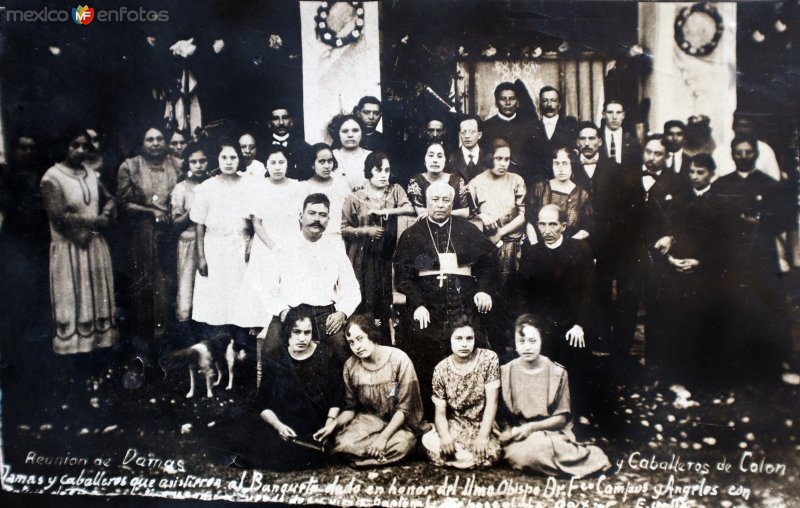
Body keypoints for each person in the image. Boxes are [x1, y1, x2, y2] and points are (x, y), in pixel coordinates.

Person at [394, 181, 497, 411]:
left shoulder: (467, 229)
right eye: (435, 200)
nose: (440, 205)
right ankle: (429, 414)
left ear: (452, 203)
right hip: (428, 309)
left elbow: (489, 263)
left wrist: (482, 289)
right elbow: (404, 276)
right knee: (421, 343)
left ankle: (471, 409)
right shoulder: (413, 235)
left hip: (464, 307)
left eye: (445, 200)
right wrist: (418, 304)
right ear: (427, 202)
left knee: (475, 342)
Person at [497, 314, 610, 477]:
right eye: (521, 342)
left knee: (544, 447)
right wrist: (513, 430)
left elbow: (561, 419)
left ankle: (573, 459)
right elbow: (502, 415)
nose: (527, 347)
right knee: (523, 453)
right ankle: (557, 463)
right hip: (520, 433)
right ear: (514, 343)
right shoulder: (506, 371)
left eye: (532, 341)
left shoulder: (557, 372)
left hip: (551, 432)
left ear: (542, 341)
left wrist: (533, 427)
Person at [237, 307, 343, 470]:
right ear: (287, 332)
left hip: (316, 426)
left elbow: (337, 396)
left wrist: (329, 424)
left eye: (307, 332)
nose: (302, 338)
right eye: (297, 332)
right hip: (284, 425)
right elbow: (262, 402)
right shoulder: (275, 356)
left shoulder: (324, 354)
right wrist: (278, 426)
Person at [41, 128, 117, 354]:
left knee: (97, 307)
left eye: (85, 146)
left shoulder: (91, 174)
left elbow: (110, 198)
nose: (81, 150)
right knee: (74, 306)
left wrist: (107, 212)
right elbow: (58, 217)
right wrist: (95, 221)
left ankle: (97, 368)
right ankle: (74, 368)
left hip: (94, 248)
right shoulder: (52, 177)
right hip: (70, 250)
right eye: (75, 145)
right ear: (64, 146)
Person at [614, 134, 688, 364]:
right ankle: (620, 364)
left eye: (658, 154)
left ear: (666, 157)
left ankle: (655, 366)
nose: (652, 158)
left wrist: (671, 238)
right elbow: (615, 216)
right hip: (630, 256)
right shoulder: (627, 177)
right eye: (648, 152)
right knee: (625, 309)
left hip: (658, 257)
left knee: (657, 310)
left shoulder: (676, 182)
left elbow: (682, 219)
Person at [263, 193, 361, 363]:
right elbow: (268, 286)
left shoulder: (335, 249)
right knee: (271, 350)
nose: (317, 219)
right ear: (301, 217)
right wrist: (282, 310)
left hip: (324, 314)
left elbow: (352, 288)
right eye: (312, 213)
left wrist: (342, 313)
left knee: (342, 349)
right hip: (290, 311)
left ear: (328, 220)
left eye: (322, 215)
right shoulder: (284, 247)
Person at [316, 315, 423, 467]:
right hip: (371, 421)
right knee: (343, 442)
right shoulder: (351, 366)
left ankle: (366, 458)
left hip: (401, 423)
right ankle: (375, 456)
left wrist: (383, 438)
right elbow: (351, 409)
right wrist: (333, 425)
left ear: (372, 334)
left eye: (360, 338)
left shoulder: (399, 359)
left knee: (403, 443)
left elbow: (404, 409)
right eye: (351, 342)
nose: (357, 346)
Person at [116, 126, 181, 361]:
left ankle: (171, 346)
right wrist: (150, 211)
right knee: (146, 286)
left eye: (159, 139)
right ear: (142, 143)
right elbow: (122, 204)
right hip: (142, 235)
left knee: (171, 284)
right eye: (149, 139)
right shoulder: (130, 166)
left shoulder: (177, 164)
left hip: (172, 233)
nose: (155, 143)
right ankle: (145, 348)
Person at [508, 205, 594, 365]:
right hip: (542, 327)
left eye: (553, 224)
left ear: (563, 226)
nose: (547, 231)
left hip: (573, 327)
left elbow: (589, 291)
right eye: (542, 224)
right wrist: (528, 324)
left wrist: (580, 325)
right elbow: (521, 292)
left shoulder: (580, 250)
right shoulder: (531, 253)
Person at [341, 152, 414, 335]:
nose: (384, 175)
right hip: (363, 256)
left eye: (387, 170)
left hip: (387, 254)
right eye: (379, 170)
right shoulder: (355, 197)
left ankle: (385, 339)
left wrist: (384, 212)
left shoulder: (395, 190)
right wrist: (366, 231)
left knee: (385, 298)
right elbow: (344, 228)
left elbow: (409, 208)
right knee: (364, 297)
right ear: (369, 171)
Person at [234, 146, 305, 330]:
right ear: (266, 164)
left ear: (288, 163)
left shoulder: (297, 186)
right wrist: (273, 247)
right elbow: (257, 223)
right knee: (265, 283)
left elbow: (302, 219)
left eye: (281, 162)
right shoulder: (259, 187)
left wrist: (296, 244)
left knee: (290, 282)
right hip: (266, 243)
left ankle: (288, 324)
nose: (277, 167)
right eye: (272, 163)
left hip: (292, 240)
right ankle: (263, 328)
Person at [421, 316, 501, 468]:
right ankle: (464, 458)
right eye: (458, 338)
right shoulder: (441, 369)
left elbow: (492, 402)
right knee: (433, 444)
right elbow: (440, 411)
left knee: (490, 453)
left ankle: (463, 458)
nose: (464, 344)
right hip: (456, 424)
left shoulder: (489, 359)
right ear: (449, 340)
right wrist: (445, 436)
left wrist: (483, 437)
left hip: (482, 423)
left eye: (469, 338)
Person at [190, 140, 250, 328]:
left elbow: (256, 221)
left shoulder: (249, 185)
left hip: (240, 247)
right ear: (217, 159)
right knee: (216, 300)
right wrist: (201, 257)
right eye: (224, 157)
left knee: (240, 298)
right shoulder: (207, 187)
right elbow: (199, 225)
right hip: (214, 248)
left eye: (233, 157)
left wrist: (250, 244)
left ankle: (240, 345)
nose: (229, 162)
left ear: (239, 159)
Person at [467, 139, 527, 285]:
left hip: (512, 245)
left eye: (507, 159)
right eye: (498, 158)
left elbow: (523, 214)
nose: (503, 163)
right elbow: (468, 214)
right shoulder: (475, 183)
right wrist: (482, 217)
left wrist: (501, 232)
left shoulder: (516, 180)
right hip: (485, 244)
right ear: (489, 158)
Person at [170, 142, 210, 323]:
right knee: (188, 289)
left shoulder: (213, 183)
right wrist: (193, 210)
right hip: (190, 243)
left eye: (203, 161)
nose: (199, 165)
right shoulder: (181, 188)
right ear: (188, 163)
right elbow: (176, 221)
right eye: (194, 162)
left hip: (212, 242)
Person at [527, 145, 593, 242]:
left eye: (565, 163)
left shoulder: (581, 194)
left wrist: (568, 245)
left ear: (572, 165)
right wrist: (535, 244)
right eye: (556, 163)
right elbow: (529, 219)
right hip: (540, 245)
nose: (560, 168)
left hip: (570, 248)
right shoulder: (540, 188)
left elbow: (588, 227)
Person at [481, 82, 539, 182]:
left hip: (526, 181)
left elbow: (537, 159)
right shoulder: (487, 126)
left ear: (517, 102)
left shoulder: (530, 126)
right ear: (496, 102)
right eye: (503, 99)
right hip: (496, 181)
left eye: (512, 99)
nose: (507, 103)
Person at [406, 141, 470, 219]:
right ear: (424, 160)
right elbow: (421, 212)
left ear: (446, 161)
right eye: (431, 155)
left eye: (439, 156)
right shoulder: (416, 181)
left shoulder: (457, 181)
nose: (435, 160)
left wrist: (445, 213)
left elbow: (466, 211)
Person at [304, 143, 352, 243]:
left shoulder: (340, 182)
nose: (327, 166)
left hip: (340, 236)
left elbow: (351, 209)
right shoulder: (305, 187)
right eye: (321, 162)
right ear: (312, 164)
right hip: (316, 238)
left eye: (330, 161)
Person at [713, 111, 781, 181]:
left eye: (747, 126)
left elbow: (774, 179)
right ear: (733, 127)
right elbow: (713, 179)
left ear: (753, 128)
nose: (743, 130)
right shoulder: (720, 151)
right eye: (739, 126)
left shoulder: (766, 150)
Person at [532, 86, 578, 170]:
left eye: (553, 100)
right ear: (539, 105)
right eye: (545, 101)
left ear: (559, 105)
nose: (549, 104)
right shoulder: (532, 127)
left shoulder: (570, 124)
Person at [268, 105, 312, 180]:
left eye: (285, 118)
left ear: (291, 122)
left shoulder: (304, 147)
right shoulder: (261, 148)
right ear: (269, 124)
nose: (281, 122)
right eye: (276, 118)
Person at [330, 114, 372, 190]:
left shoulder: (372, 156)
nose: (350, 135)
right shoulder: (331, 156)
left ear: (362, 133)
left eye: (355, 130)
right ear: (338, 134)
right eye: (345, 131)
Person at [598, 98, 640, 169]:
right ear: (604, 115)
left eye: (618, 112)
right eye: (610, 112)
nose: (614, 117)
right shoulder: (597, 137)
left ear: (623, 115)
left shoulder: (632, 141)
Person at [449, 115, 491, 184]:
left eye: (472, 132)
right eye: (463, 132)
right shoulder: (451, 158)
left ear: (479, 135)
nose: (467, 136)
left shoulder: (489, 158)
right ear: (460, 135)